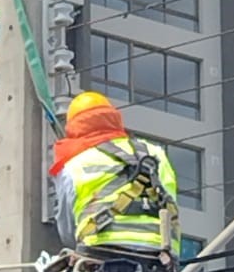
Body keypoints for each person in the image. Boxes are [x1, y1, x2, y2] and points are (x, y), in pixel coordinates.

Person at [50, 91, 180, 272]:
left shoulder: (75, 163)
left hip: (101, 254)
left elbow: (67, 230)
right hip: (160, 256)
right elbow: (170, 200)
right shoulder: (155, 153)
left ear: (74, 127)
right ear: (114, 119)